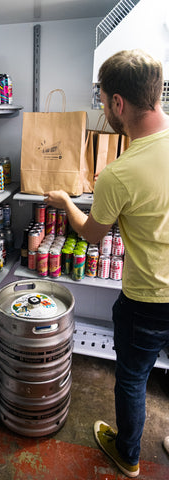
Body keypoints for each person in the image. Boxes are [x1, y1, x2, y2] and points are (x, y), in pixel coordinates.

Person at [44, 49, 169, 478]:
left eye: (101, 99)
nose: (102, 107)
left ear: (118, 103)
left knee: (133, 378)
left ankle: (128, 455)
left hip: (148, 299)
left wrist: (64, 202)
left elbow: (92, 234)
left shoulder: (122, 172)